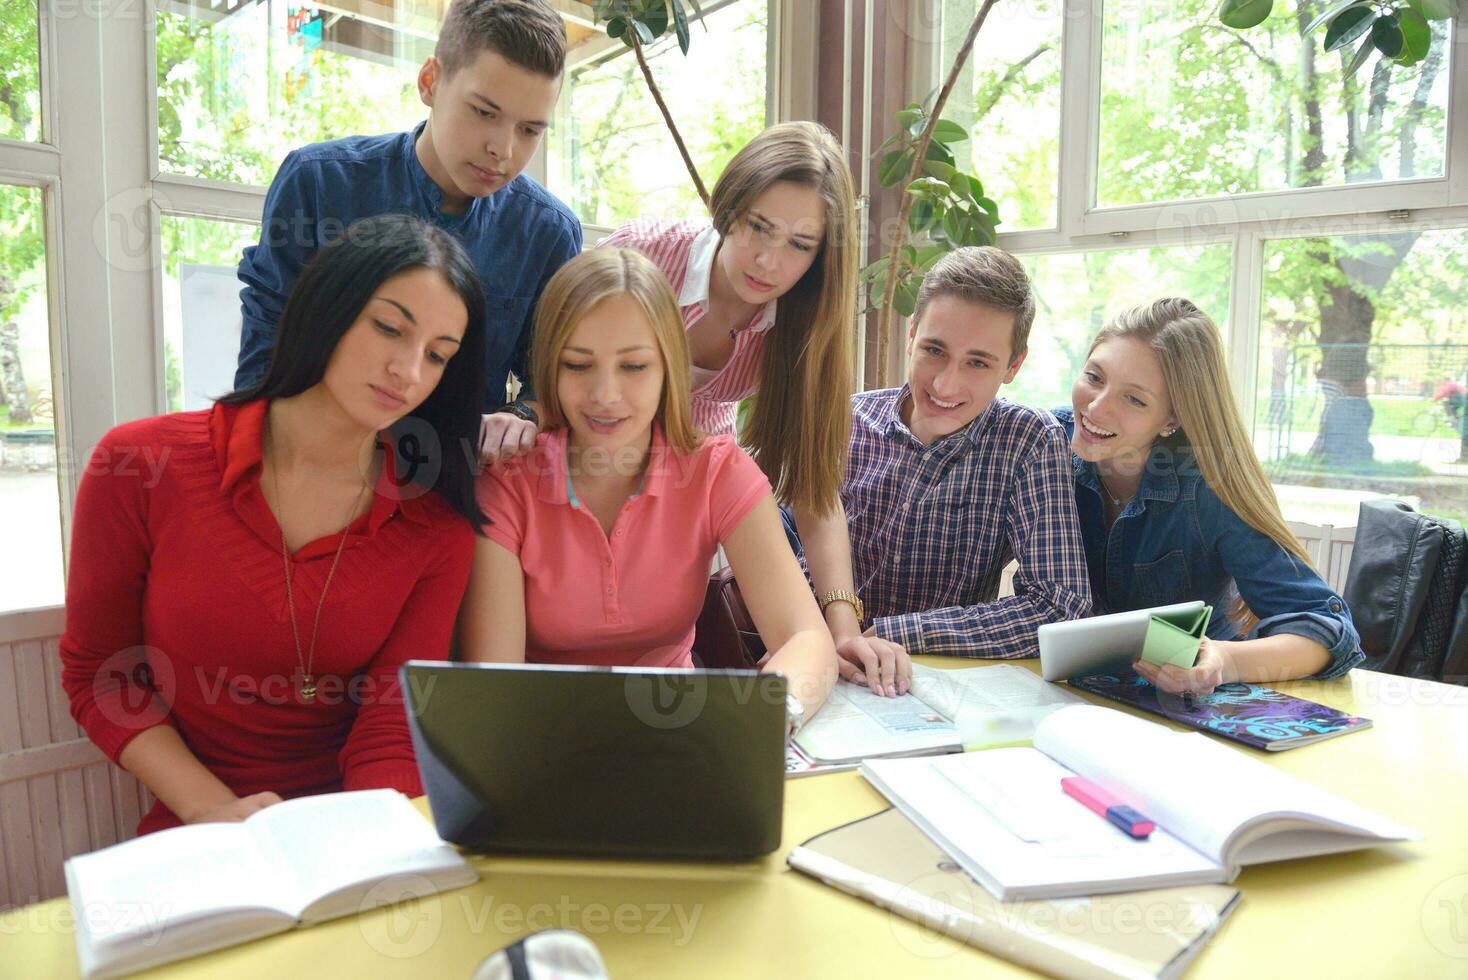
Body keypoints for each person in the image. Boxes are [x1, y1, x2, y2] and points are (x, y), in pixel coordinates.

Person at [62, 215, 487, 833]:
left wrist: (363, 844)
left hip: (360, 827)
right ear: (327, 310)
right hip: (198, 828)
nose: (409, 371)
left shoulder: (436, 529)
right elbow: (102, 672)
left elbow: (392, 722)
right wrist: (212, 809)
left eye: (438, 356)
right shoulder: (140, 465)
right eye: (389, 328)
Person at [459, 248, 837, 724]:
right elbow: (495, 686)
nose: (606, 395)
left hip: (679, 733)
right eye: (578, 365)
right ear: (550, 368)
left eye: (634, 367)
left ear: (668, 368)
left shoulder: (718, 470)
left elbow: (807, 640)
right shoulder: (507, 480)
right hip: (540, 735)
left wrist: (762, 722)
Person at [235, 0, 580, 463]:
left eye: (530, 130)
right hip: (310, 464)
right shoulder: (318, 183)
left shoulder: (548, 232)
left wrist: (520, 414)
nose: (503, 149)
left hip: (453, 487)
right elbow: (264, 361)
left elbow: (551, 379)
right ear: (430, 82)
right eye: (483, 112)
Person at [598, 122, 870, 675]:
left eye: (799, 245)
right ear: (730, 206)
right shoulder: (643, 253)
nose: (769, 262)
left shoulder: (802, 322)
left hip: (693, 497)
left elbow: (815, 489)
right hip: (597, 474)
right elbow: (558, 362)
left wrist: (843, 628)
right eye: (758, 227)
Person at [792, 247, 1091, 696]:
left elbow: (1060, 607)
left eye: (977, 362)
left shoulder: (1029, 441)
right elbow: (788, 551)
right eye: (935, 350)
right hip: (815, 655)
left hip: (932, 682)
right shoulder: (848, 420)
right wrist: (817, 637)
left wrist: (896, 634)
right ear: (911, 334)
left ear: (1013, 365)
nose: (945, 384)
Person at [1056, 297, 1364, 696]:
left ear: (1172, 419)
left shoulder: (1208, 485)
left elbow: (1330, 631)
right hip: (1074, 692)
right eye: (1094, 377)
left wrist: (1226, 661)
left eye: (1134, 399)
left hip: (1185, 699)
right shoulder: (1044, 443)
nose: (1095, 408)